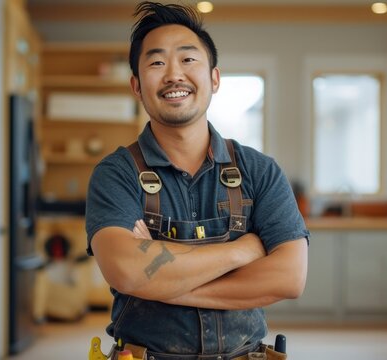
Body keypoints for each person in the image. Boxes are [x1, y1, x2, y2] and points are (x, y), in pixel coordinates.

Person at [85, 2, 310, 359]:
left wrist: (159, 281)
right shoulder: (116, 174)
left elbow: (289, 277)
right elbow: (126, 270)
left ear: (214, 79)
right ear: (137, 86)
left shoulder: (259, 171)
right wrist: (244, 250)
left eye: (188, 60)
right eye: (157, 63)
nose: (174, 74)